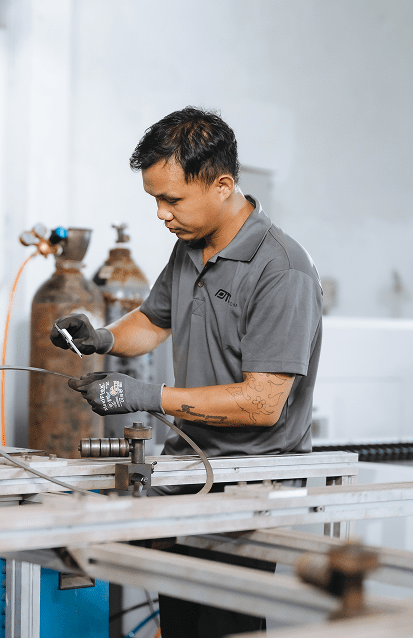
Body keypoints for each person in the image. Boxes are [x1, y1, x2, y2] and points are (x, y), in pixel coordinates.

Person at [50, 107, 323, 638]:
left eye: (171, 199)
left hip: (248, 481)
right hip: (189, 471)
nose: (161, 213)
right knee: (178, 623)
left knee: (223, 626)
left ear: (222, 185)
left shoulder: (280, 269)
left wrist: (145, 394)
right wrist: (102, 337)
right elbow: (153, 321)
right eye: (155, 199)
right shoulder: (190, 248)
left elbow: (263, 403)